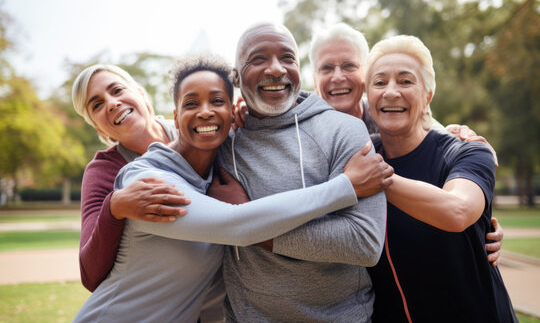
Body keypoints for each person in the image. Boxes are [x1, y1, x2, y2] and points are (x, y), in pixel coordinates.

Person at [73, 53, 382, 323]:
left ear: (233, 110)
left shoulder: (216, 167)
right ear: (176, 115)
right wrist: (344, 187)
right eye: (192, 103)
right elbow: (238, 225)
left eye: (217, 101)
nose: (206, 111)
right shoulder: (144, 181)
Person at [215, 22, 388, 322]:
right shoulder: (220, 143)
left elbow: (364, 242)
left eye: (287, 58)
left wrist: (248, 225)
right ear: (236, 77)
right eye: (259, 59)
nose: (277, 69)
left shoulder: (345, 131)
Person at [308, 22, 504, 264]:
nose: (337, 76)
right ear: (314, 79)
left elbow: (456, 188)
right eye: (326, 68)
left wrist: (480, 220)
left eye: (349, 66)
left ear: (364, 77)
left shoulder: (394, 116)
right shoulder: (300, 132)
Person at [360, 35, 517, 322]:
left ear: (428, 95)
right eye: (379, 82)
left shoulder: (469, 151)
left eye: (406, 81)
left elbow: (457, 211)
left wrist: (376, 177)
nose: (391, 92)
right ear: (368, 96)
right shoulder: (356, 154)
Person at [72, 64, 190, 292]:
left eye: (117, 90)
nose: (112, 103)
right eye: (97, 104)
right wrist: (114, 208)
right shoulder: (103, 170)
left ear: (140, 93)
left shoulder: (190, 129)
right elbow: (89, 274)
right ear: (98, 128)